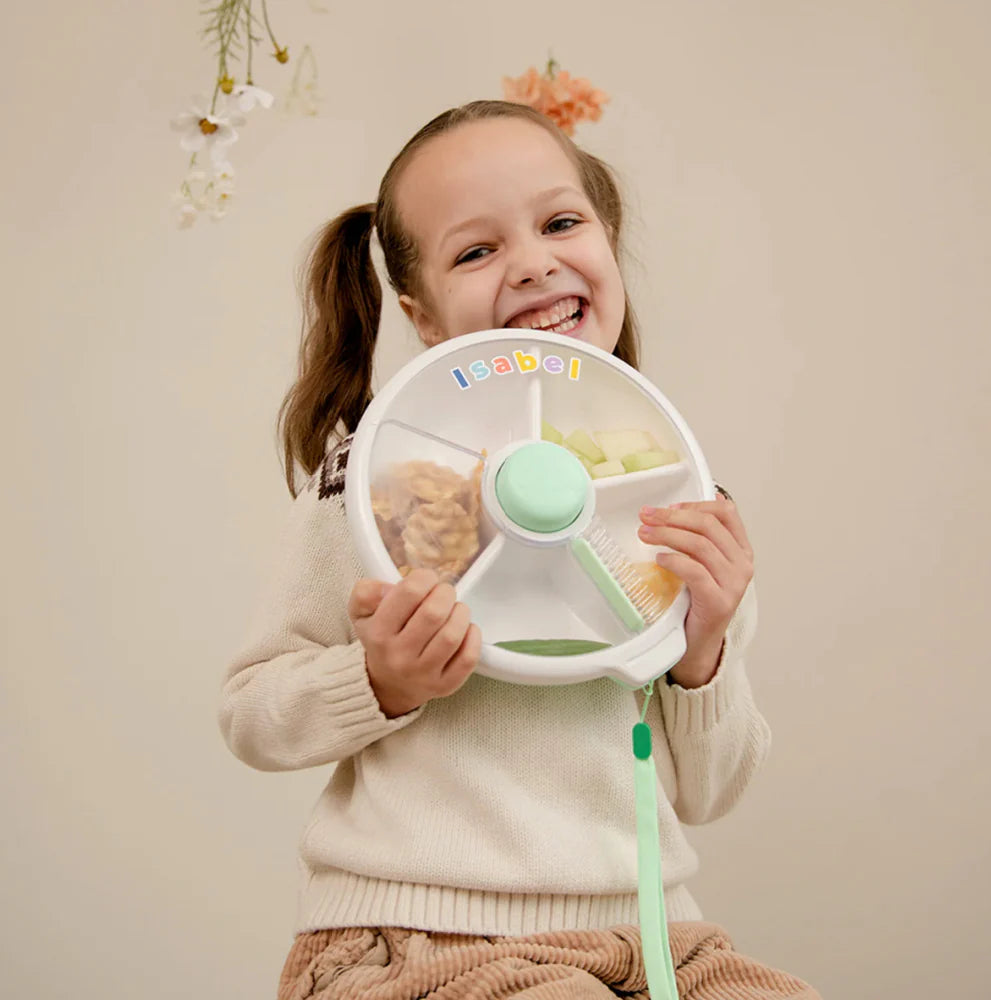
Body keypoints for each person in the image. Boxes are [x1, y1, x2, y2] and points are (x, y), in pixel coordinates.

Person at [219, 99, 821, 1000]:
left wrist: (701, 653)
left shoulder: (677, 495)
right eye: (477, 249)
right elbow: (252, 713)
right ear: (420, 315)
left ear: (608, 244)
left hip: (658, 933)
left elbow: (709, 791)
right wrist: (381, 681)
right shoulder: (379, 480)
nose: (534, 260)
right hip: (422, 939)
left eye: (561, 222)